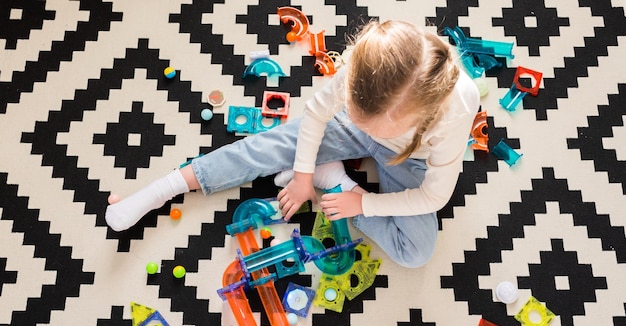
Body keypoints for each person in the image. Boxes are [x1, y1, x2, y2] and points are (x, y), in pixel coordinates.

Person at [105, 20, 480, 268]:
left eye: (377, 127)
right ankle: (161, 190)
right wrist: (301, 176)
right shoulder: (369, 67)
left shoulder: (456, 108)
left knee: (417, 251)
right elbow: (318, 113)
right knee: (269, 146)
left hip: (412, 158)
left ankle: (334, 178)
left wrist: (358, 200)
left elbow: (434, 197)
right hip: (357, 128)